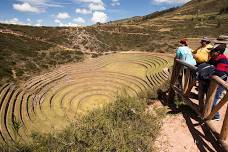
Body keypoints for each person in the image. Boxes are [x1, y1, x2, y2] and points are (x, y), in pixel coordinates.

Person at [208, 43, 228, 120]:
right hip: (215, 81)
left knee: (215, 97)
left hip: (221, 81)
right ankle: (209, 111)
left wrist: (209, 70)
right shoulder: (213, 58)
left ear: (218, 52)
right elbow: (206, 65)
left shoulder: (223, 59)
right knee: (210, 95)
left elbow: (219, 72)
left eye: (212, 51)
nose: (210, 53)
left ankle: (216, 115)